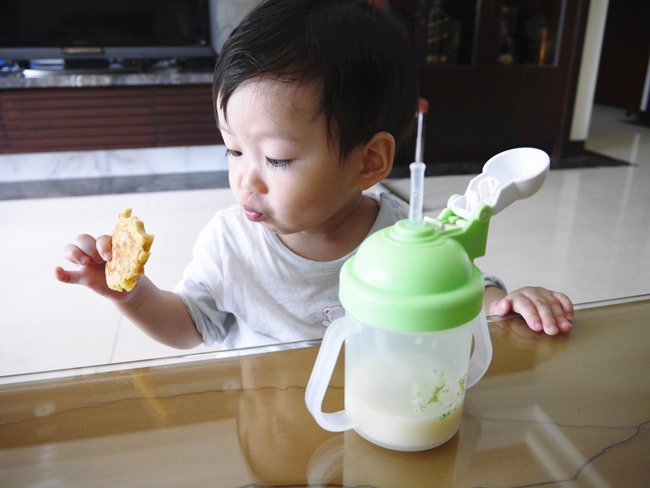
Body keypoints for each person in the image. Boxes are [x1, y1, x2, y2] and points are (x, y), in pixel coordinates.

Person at [55, 0, 573, 351]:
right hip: (266, 420)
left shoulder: (405, 237)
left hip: (366, 411)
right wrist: (132, 294)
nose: (246, 181)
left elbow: (463, 291)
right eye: (233, 150)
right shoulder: (231, 242)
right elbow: (192, 326)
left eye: (276, 159)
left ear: (369, 162)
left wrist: (503, 304)